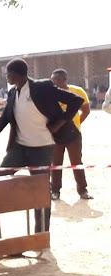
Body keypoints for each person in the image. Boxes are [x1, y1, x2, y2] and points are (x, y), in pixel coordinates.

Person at [0, 59, 84, 233]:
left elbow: (76, 100)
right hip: (20, 148)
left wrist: (60, 123)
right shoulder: (13, 93)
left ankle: (42, 234)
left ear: (14, 74)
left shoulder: (42, 87)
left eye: (7, 73)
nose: (6, 76)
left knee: (40, 193)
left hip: (43, 149)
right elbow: (4, 120)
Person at [48, 69, 92, 200]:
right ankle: (55, 191)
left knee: (77, 162)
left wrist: (78, 123)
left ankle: (82, 190)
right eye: (52, 80)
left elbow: (86, 110)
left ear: (64, 80)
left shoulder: (77, 91)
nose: (54, 83)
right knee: (56, 163)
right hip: (56, 134)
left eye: (57, 80)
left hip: (74, 134)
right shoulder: (51, 94)